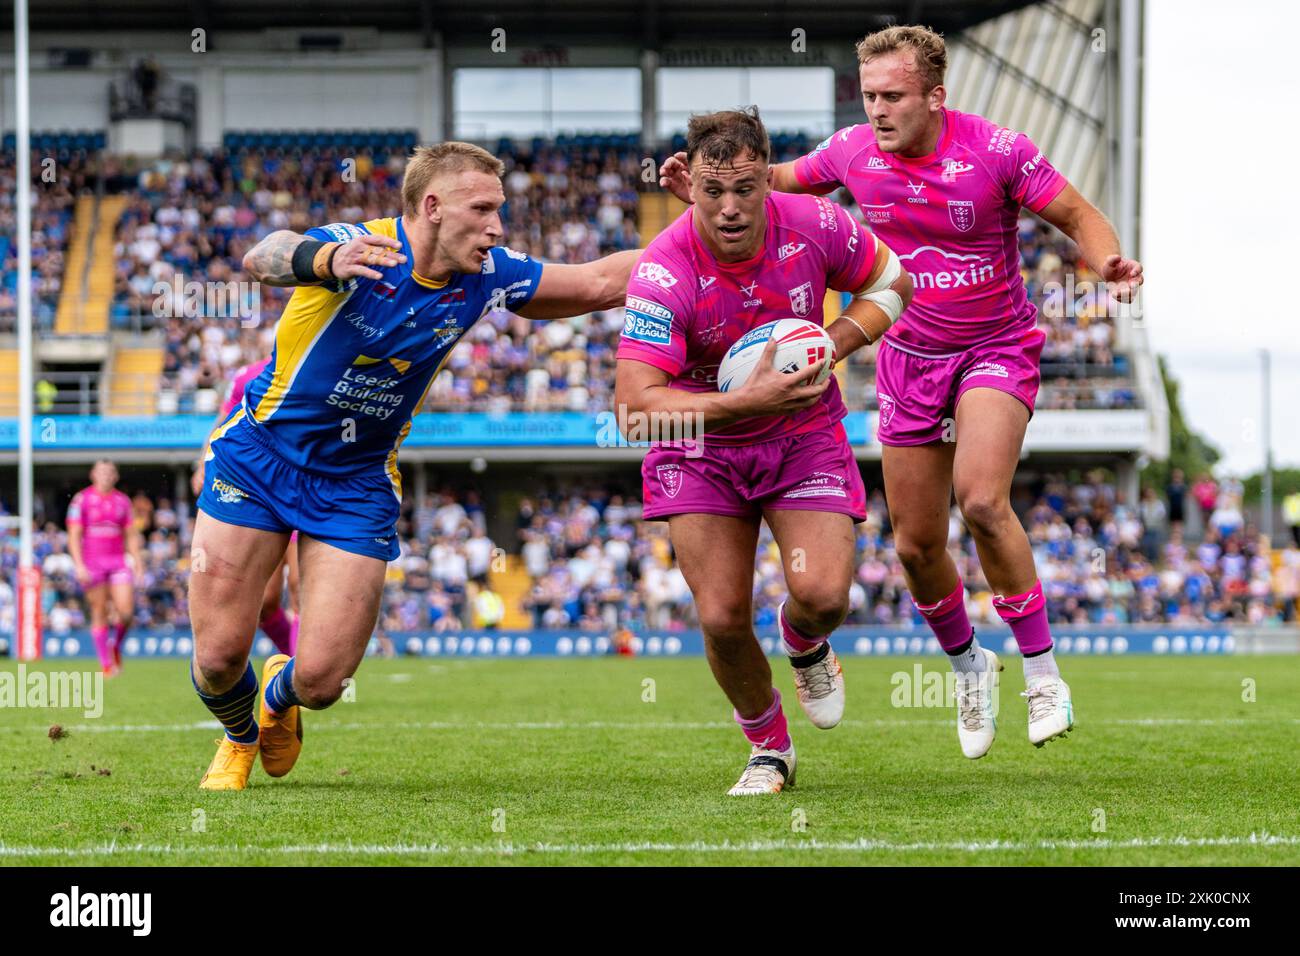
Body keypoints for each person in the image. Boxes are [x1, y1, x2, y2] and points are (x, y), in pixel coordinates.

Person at [660, 25, 1142, 757]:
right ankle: (968, 666)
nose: (878, 108)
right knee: (917, 547)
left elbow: (1076, 213)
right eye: (870, 94)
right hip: (907, 357)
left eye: (893, 95)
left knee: (982, 498)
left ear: (935, 96)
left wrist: (1107, 262)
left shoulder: (998, 151)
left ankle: (1043, 674)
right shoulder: (853, 150)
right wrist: (701, 184)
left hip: (994, 346)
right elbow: (779, 179)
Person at [190, 141, 638, 790]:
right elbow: (261, 257)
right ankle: (239, 737)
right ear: (432, 206)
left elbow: (599, 282)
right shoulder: (363, 246)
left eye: (499, 211)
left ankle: (277, 701)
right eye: (482, 210)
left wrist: (703, 236)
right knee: (217, 657)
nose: (498, 227)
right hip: (260, 459)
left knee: (322, 681)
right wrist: (327, 258)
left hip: (356, 483)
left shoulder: (489, 276)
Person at [619, 107, 912, 794]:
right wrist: (741, 404)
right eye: (712, 190)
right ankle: (769, 747)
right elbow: (635, 414)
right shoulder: (662, 271)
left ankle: (803, 638)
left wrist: (835, 342)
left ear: (767, 177)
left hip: (800, 436)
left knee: (823, 595)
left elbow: (894, 281)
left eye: (745, 188)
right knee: (720, 615)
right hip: (698, 447)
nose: (728, 207)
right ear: (686, 180)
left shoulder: (814, 223)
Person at [194, 355, 300, 657]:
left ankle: (295, 682)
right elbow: (224, 421)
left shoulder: (311, 369)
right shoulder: (247, 376)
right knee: (266, 603)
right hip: (261, 494)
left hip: (302, 490)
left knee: (299, 585)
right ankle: (290, 658)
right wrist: (203, 463)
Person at [66, 460, 142, 676]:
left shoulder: (123, 501)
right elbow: (74, 535)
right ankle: (106, 665)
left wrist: (138, 563)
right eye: (102, 472)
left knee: (126, 612)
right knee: (98, 611)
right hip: (92, 564)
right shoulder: (82, 500)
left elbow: (130, 535)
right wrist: (79, 565)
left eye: (110, 472)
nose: (106, 476)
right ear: (93, 474)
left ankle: (115, 646)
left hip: (118, 562)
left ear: (115, 476)